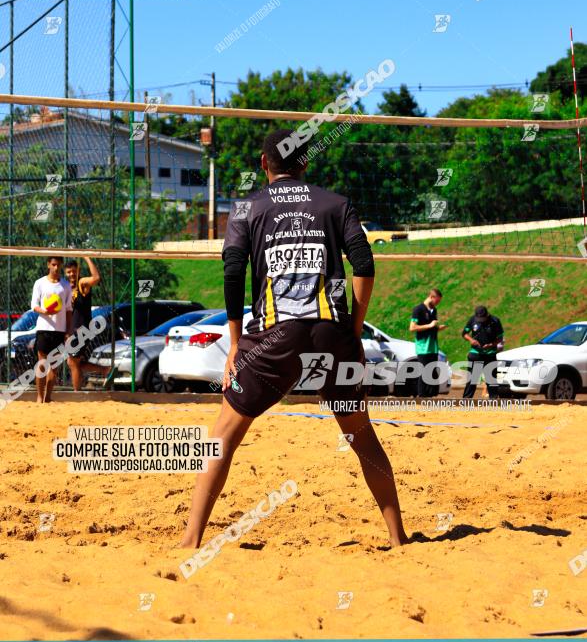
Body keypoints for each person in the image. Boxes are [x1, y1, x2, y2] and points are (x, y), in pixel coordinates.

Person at [180, 129, 409, 549]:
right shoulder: (335, 203)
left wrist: (234, 343)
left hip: (275, 337)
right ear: (306, 163)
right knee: (360, 434)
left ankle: (191, 538)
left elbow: (233, 272)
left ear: (264, 164)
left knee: (224, 434)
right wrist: (353, 331)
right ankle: (398, 538)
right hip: (330, 331)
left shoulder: (248, 208)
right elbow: (364, 264)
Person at [64, 257, 117, 390]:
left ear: (78, 271)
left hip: (81, 329)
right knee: (74, 362)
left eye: (73, 271)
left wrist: (87, 257)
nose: (71, 274)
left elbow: (96, 278)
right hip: (76, 330)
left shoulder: (82, 282)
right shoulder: (67, 288)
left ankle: (77, 394)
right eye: (68, 272)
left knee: (73, 362)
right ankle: (105, 370)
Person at [31, 256, 72, 403]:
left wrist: (68, 331)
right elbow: (34, 305)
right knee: (42, 364)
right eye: (53, 264)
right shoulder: (40, 283)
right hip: (44, 328)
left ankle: (48, 398)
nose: (56, 268)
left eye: (58, 265)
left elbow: (68, 310)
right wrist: (45, 312)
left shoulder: (65, 285)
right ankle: (39, 397)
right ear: (48, 264)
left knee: (54, 367)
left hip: (59, 330)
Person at [409, 289, 447, 398]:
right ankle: (421, 396)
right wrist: (430, 325)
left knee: (432, 371)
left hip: (433, 346)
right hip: (423, 347)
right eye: (437, 301)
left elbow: (432, 327)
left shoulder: (433, 310)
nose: (437, 304)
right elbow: (412, 327)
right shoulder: (418, 309)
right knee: (424, 370)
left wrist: (438, 328)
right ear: (431, 296)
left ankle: (431, 396)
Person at [462, 305, 504, 399]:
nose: (480, 320)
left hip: (490, 354)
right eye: (478, 318)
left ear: (487, 315)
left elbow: (500, 338)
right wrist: (471, 340)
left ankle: (494, 400)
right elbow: (464, 334)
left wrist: (491, 345)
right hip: (476, 353)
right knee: (473, 378)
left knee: (491, 379)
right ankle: (466, 400)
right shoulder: (472, 320)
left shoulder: (495, 321)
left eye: (482, 318)